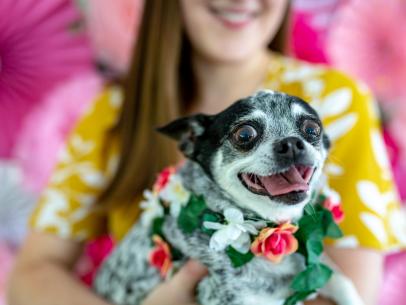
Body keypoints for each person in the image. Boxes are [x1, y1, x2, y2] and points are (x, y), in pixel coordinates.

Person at [8, 1, 404, 305]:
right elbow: (30, 276)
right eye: (246, 136)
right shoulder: (115, 113)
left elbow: (348, 295)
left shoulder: (336, 101)